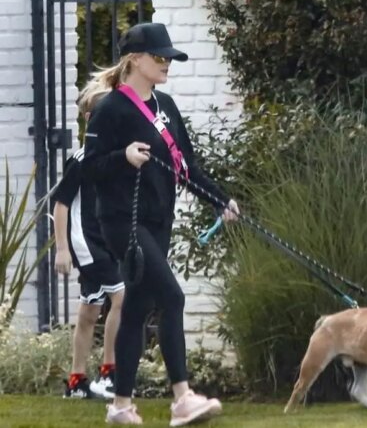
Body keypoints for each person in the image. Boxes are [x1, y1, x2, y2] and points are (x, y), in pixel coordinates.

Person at [82, 22, 239, 425]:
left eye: (168, 57)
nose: (166, 63)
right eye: (159, 57)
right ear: (135, 59)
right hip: (122, 221)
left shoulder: (165, 105)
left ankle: (119, 406)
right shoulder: (110, 109)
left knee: (136, 307)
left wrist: (221, 201)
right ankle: (183, 399)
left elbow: (185, 166)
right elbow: (90, 170)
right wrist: (123, 157)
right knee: (172, 297)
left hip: (157, 220)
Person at [53, 81, 125, 400]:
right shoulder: (81, 161)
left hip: (107, 240)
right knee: (121, 297)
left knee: (89, 312)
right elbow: (61, 204)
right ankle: (110, 373)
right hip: (87, 242)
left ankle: (76, 382)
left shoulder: (113, 159)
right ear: (88, 119)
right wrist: (63, 250)